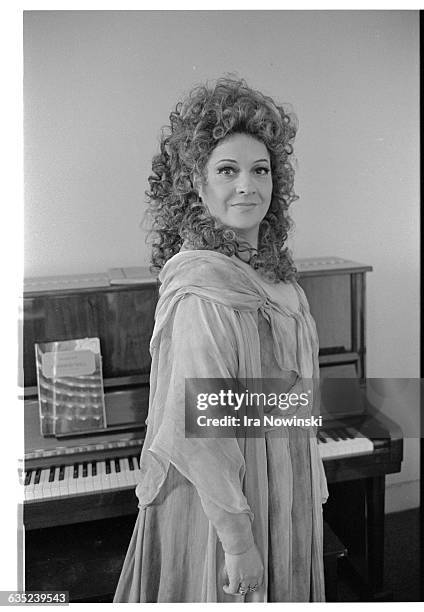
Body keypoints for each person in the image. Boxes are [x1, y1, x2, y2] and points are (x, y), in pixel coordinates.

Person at [114, 77, 328, 603]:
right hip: (227, 508)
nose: (247, 186)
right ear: (197, 184)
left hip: (283, 482)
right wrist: (238, 544)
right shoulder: (202, 292)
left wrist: (305, 482)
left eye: (260, 170)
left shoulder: (280, 279)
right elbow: (204, 438)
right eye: (227, 170)